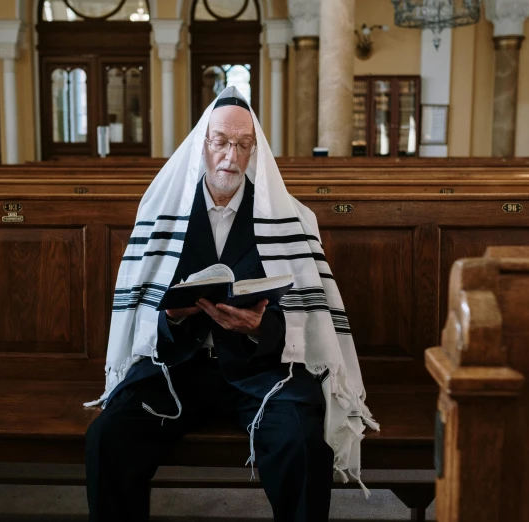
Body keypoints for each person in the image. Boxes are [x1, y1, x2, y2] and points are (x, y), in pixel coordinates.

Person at [84, 87, 378, 522]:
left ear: (254, 150)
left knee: (302, 444)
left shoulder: (287, 217)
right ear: (202, 144)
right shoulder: (165, 213)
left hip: (260, 371)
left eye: (242, 145)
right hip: (178, 369)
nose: (230, 156)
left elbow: (302, 316)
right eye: (221, 142)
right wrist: (172, 317)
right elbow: (144, 312)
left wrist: (259, 325)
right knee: (107, 438)